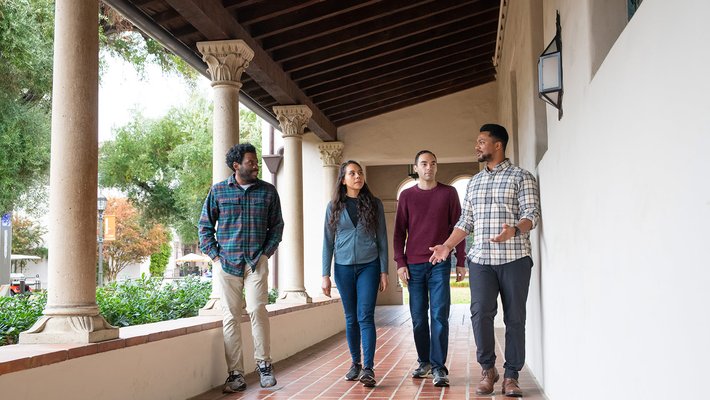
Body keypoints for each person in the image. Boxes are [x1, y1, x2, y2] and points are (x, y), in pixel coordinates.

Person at [429, 124, 540, 397]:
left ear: (497, 145)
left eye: (481, 142)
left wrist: (514, 230)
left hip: (514, 258)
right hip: (481, 261)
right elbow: (465, 221)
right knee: (480, 315)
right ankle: (488, 370)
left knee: (515, 318)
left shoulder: (521, 177)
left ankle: (512, 376)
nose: (477, 146)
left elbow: (532, 215)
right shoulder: (475, 182)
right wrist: (446, 246)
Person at [198, 143, 284, 393]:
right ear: (236, 165)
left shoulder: (268, 192)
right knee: (231, 317)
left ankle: (264, 366)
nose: (256, 165)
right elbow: (204, 227)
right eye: (251, 161)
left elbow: (276, 226)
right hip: (227, 264)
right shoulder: (218, 192)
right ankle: (235, 374)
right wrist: (215, 257)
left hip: (256, 262)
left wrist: (266, 254)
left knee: (258, 309)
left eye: (255, 161)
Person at [393, 150, 466, 387]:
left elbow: (459, 227)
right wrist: (400, 263)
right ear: (415, 168)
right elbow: (398, 234)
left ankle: (438, 367)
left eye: (433, 163)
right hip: (413, 265)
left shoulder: (449, 193)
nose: (429, 167)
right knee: (417, 317)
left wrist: (461, 260)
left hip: (439, 264)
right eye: (424, 164)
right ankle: (424, 361)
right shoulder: (406, 196)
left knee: (439, 315)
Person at [322, 160, 389, 388]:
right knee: (351, 318)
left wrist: (383, 270)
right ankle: (355, 363)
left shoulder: (374, 203)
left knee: (365, 316)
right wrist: (325, 274)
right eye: (352, 173)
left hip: (369, 266)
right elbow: (327, 242)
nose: (358, 176)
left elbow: (382, 239)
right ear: (343, 179)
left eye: (359, 173)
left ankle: (368, 368)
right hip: (342, 267)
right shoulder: (333, 207)